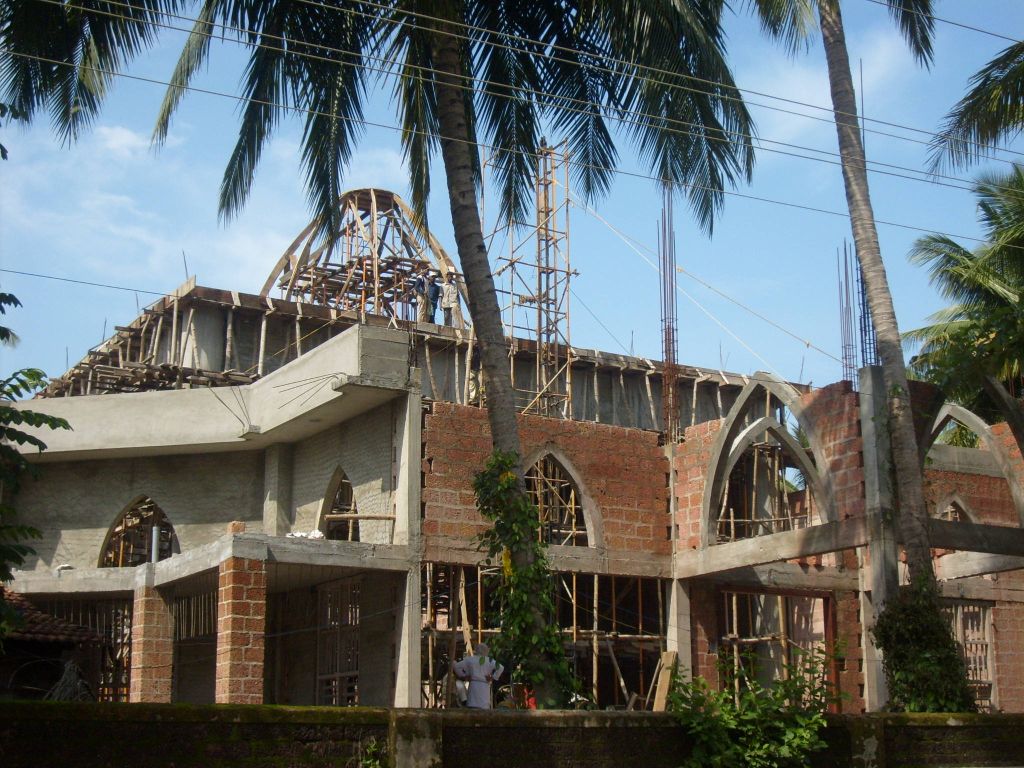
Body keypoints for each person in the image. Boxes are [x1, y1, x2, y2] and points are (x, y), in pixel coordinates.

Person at [452, 642, 503, 709]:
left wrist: (463, 676)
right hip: (484, 686)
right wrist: (493, 677)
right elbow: (501, 667)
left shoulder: (470, 659)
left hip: (473, 685)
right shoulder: (489, 661)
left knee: (472, 707)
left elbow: (456, 666)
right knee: (484, 708)